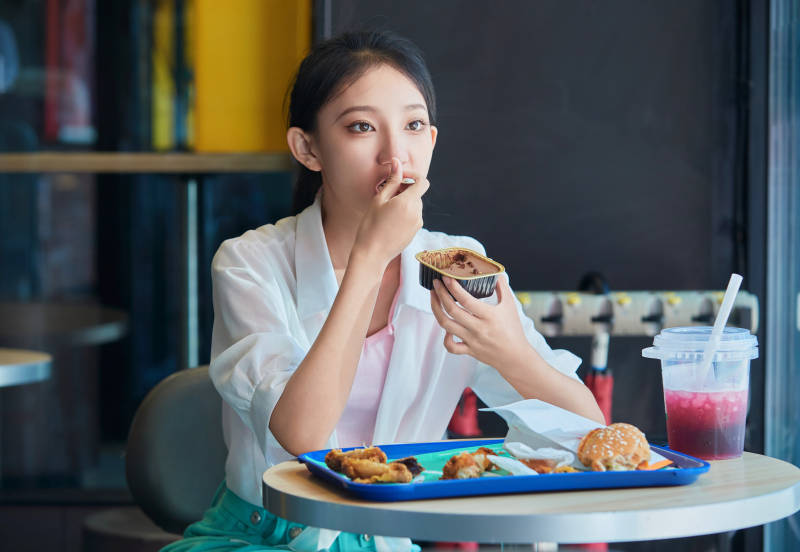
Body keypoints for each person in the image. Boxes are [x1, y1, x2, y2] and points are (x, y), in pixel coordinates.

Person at [162, 29, 603, 552]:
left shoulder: (460, 263)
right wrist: (370, 256)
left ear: (432, 142)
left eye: (414, 126)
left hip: (384, 540)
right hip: (261, 537)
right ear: (308, 148)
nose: (397, 157)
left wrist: (506, 348)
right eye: (361, 127)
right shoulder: (250, 262)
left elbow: (584, 431)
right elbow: (299, 436)